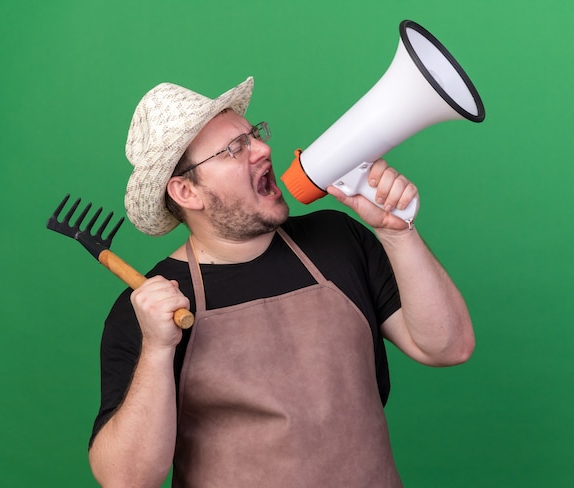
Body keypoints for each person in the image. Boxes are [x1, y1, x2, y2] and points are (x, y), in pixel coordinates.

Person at [87, 76, 475, 487]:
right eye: (234, 150)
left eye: (252, 134)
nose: (263, 150)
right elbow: (127, 479)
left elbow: (448, 347)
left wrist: (398, 234)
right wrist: (157, 348)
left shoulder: (337, 240)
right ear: (186, 192)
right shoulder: (149, 310)